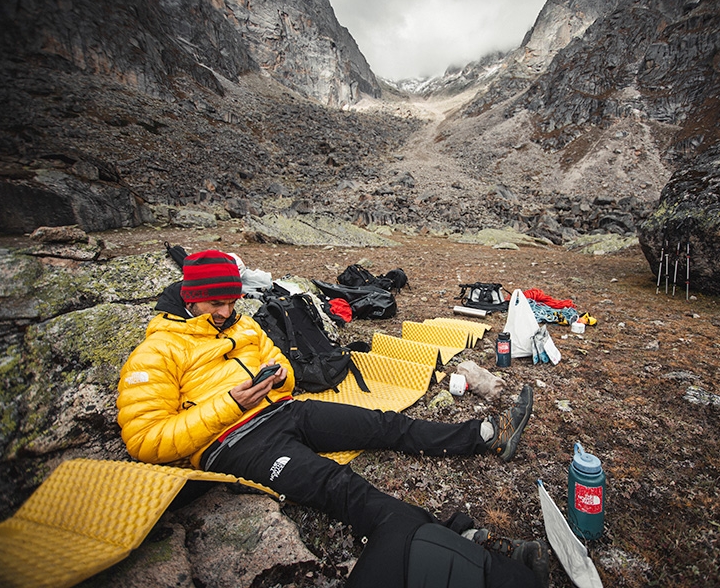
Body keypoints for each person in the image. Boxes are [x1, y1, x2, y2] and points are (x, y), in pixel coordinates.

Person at [117, 250, 547, 587]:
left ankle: (485, 434)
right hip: (233, 444)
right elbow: (144, 439)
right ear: (190, 297)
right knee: (340, 487)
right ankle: (459, 542)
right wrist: (230, 405)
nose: (225, 312)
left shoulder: (243, 327)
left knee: (381, 424)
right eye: (215, 303)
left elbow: (278, 369)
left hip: (284, 411)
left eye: (231, 302)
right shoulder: (156, 352)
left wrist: (280, 378)